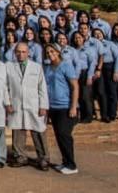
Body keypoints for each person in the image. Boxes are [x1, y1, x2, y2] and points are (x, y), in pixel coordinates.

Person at [6, 41, 49, 170]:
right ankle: (20, 157)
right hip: (16, 104)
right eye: (18, 52)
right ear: (15, 53)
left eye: (23, 52)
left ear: (28, 53)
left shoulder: (36, 67)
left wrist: (43, 106)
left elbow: (42, 88)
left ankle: (43, 158)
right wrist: (7, 103)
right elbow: (5, 87)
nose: (21, 54)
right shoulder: (8, 66)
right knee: (18, 131)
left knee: (38, 132)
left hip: (34, 105)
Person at [43, 44, 79, 174]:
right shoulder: (48, 68)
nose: (50, 54)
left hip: (65, 106)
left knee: (65, 135)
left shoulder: (66, 66)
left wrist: (73, 106)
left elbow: (75, 87)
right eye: (47, 52)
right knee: (59, 135)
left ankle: (71, 165)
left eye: (52, 51)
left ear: (58, 52)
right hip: (53, 106)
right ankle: (65, 161)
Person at [92, 28, 118, 123]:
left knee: (111, 92)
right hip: (98, 68)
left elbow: (117, 58)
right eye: (95, 34)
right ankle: (105, 113)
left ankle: (112, 113)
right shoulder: (92, 45)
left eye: (99, 33)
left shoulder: (110, 44)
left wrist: (116, 71)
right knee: (101, 92)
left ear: (103, 34)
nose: (98, 35)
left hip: (109, 67)